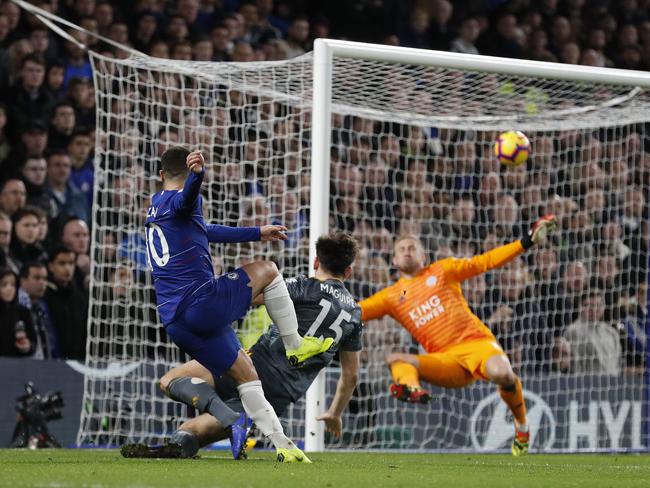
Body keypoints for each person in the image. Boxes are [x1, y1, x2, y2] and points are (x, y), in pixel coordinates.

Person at [143, 147, 332, 463]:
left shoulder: (156, 208)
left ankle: (281, 444)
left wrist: (256, 232)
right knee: (269, 270)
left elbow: (205, 229)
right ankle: (296, 345)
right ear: (185, 174)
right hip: (200, 303)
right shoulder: (183, 199)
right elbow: (187, 199)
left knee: (247, 377)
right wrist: (199, 177)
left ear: (161, 175)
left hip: (175, 322)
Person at [122, 232, 362, 459]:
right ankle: (228, 422)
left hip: (251, 366)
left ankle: (225, 418)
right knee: (191, 431)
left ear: (315, 262)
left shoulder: (303, 286)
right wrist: (334, 413)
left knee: (170, 380)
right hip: (279, 396)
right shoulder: (354, 313)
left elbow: (254, 295)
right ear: (348, 271)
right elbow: (350, 376)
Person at [359, 215, 557, 456]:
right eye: (401, 249)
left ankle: (522, 427)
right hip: (446, 361)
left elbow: (485, 262)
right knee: (396, 359)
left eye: (412, 248)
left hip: (477, 344)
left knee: (502, 373)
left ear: (424, 256)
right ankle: (411, 390)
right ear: (394, 260)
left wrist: (525, 242)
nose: (407, 251)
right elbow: (356, 312)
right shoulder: (391, 296)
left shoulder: (443, 270)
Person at [0, 267, 36, 357]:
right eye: (4, 285)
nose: (9, 289)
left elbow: (33, 342)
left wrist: (27, 347)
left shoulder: (24, 312)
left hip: (17, 366)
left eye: (13, 285)